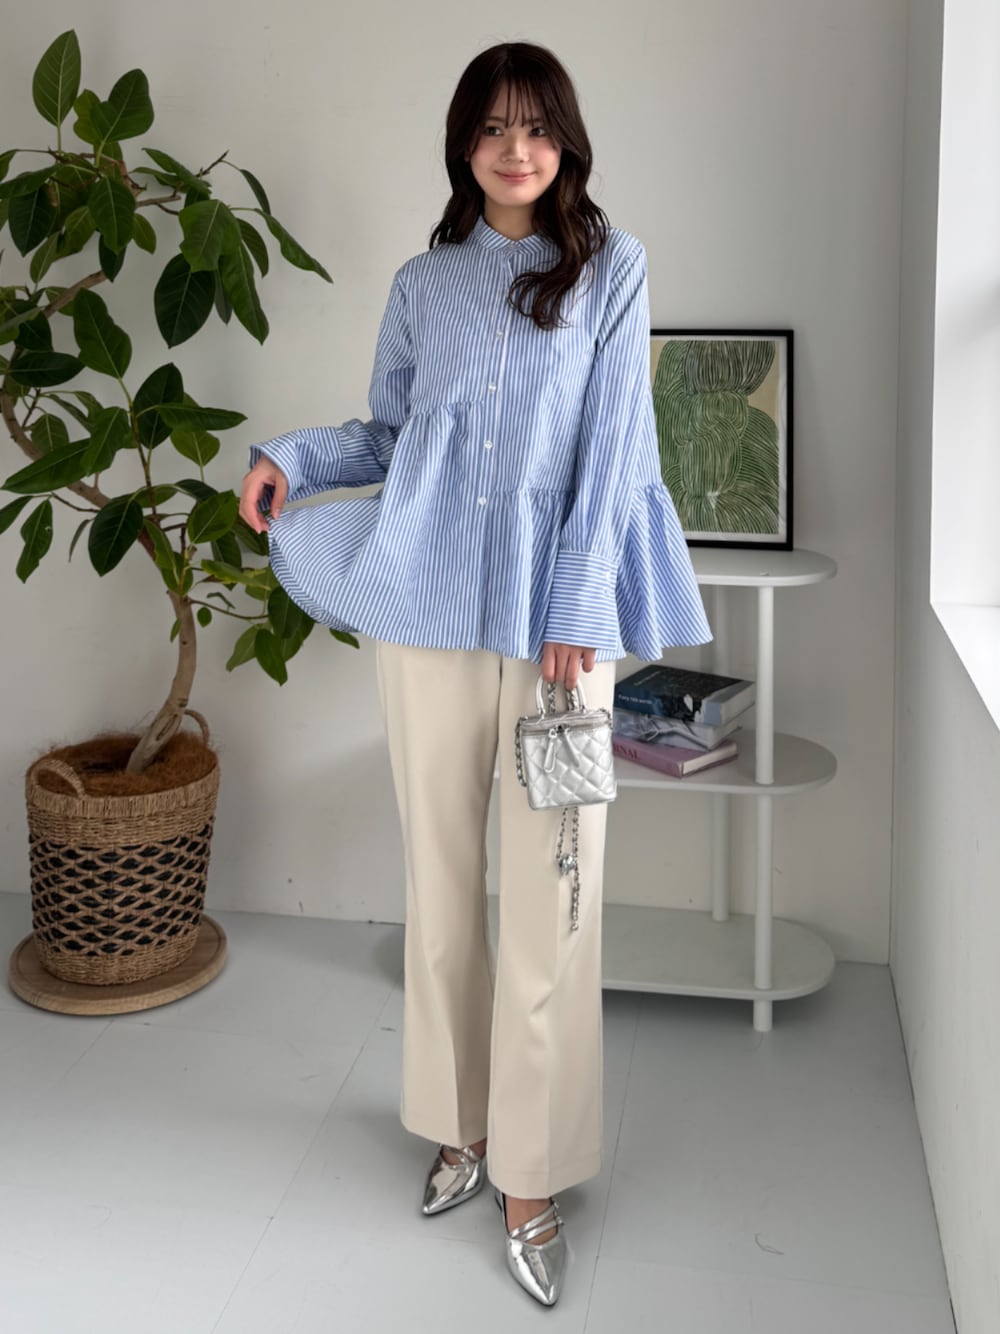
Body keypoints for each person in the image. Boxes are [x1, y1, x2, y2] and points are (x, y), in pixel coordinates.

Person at [239, 41, 711, 1307]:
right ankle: (460, 1125)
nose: (516, 149)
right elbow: (389, 435)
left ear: (566, 141)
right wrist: (291, 454)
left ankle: (532, 1174)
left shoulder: (611, 268)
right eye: (494, 128)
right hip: (429, 617)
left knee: (554, 898)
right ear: (463, 142)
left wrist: (575, 601)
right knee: (441, 887)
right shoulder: (423, 281)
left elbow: (615, 449)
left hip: (560, 633)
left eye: (536, 127)